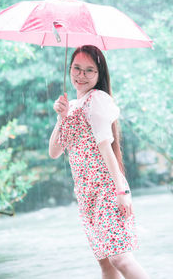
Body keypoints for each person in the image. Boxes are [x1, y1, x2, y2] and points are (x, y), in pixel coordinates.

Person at [49, 45, 150, 279]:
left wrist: (121, 190)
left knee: (120, 257)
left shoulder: (97, 100)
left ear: (99, 74)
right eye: (76, 68)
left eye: (89, 70)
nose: (81, 75)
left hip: (107, 189)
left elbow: (106, 149)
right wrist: (60, 116)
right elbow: (54, 151)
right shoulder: (72, 106)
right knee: (106, 265)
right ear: (69, 69)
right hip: (86, 196)